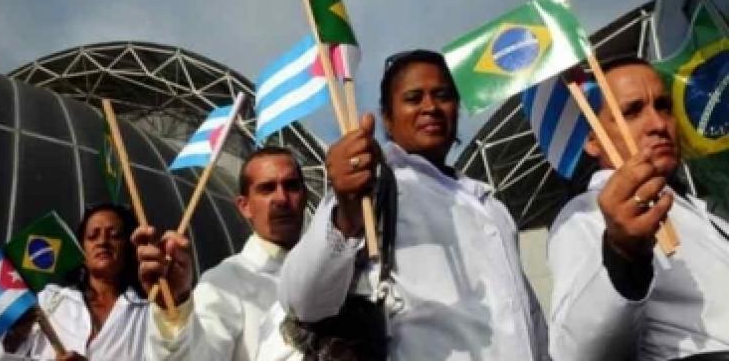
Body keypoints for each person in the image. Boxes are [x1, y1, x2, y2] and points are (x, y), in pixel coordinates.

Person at [278, 50, 549, 360]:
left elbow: (530, 319)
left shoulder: (489, 204)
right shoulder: (371, 189)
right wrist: (347, 216)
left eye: (442, 96)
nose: (430, 107)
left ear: (457, 109)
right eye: (413, 98)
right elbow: (303, 299)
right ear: (387, 119)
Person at [547, 56, 729, 360]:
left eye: (663, 106)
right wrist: (622, 255)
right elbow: (577, 351)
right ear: (593, 140)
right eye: (631, 112)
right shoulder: (585, 216)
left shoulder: (695, 206)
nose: (658, 125)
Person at [133, 147, 308, 361]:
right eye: (267, 188)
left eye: (291, 186)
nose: (281, 198)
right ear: (244, 206)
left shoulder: (340, 270)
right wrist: (174, 307)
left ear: (305, 195)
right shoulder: (224, 283)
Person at [0, 203, 149, 361]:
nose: (102, 241)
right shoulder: (47, 302)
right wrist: (14, 336)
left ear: (129, 247)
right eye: (92, 236)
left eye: (115, 235)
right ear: (81, 251)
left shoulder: (148, 313)